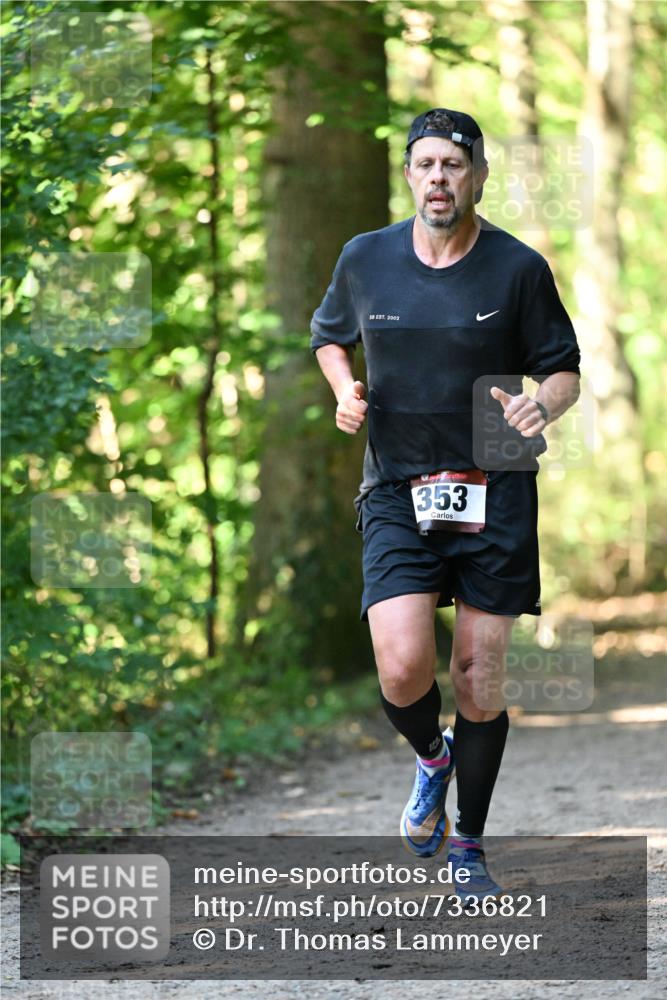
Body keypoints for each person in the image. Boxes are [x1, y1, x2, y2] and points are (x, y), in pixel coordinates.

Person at [310, 108, 581, 902]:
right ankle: (431, 757)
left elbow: (561, 368)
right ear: (407, 175)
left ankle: (468, 845)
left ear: (477, 175)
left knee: (477, 676)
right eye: (424, 164)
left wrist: (543, 407)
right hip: (397, 484)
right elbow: (329, 337)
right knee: (401, 666)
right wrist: (343, 392)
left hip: (495, 484)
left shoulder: (517, 268)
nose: (438, 178)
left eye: (452, 165)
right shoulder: (365, 259)